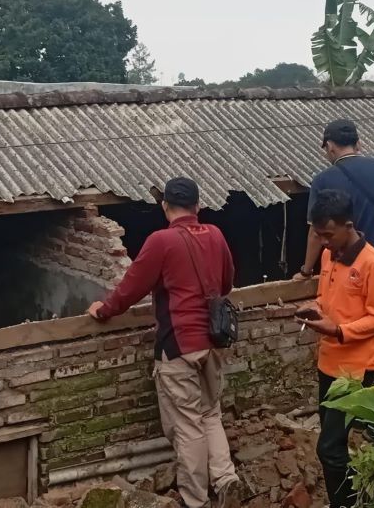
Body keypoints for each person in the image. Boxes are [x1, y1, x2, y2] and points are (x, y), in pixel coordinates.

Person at [87, 177, 243, 508]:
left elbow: (131, 287)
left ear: (165, 207)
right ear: (198, 207)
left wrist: (104, 309)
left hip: (178, 346)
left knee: (188, 426)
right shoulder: (216, 234)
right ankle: (226, 478)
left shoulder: (161, 241)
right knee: (210, 412)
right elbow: (228, 282)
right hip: (214, 341)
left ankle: (195, 499)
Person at [293, 118, 374, 380]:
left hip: (344, 267)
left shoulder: (322, 179)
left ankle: (348, 392)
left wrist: (307, 270)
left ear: (330, 146)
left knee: (345, 329)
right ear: (358, 143)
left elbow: (314, 231)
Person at [296, 189, 374, 508]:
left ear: (347, 225)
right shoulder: (328, 256)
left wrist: (337, 330)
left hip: (355, 368)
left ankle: (346, 503)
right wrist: (314, 308)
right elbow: (327, 298)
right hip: (329, 361)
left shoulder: (373, 263)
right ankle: (354, 495)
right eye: (319, 234)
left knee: (329, 448)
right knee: (333, 440)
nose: (323, 241)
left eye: (328, 234)